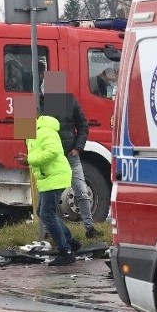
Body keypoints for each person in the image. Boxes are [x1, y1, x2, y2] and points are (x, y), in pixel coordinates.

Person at [38, 62, 102, 239]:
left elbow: (83, 125)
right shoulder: (35, 102)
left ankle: (89, 228)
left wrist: (77, 148)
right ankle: (51, 230)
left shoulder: (69, 101)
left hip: (68, 154)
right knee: (48, 198)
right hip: (50, 158)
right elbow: (25, 131)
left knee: (81, 191)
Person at [16, 113, 78, 266]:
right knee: (42, 212)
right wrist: (28, 159)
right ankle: (71, 242)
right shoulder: (32, 135)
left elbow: (53, 151)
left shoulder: (44, 131)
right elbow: (40, 153)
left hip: (55, 176)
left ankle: (66, 251)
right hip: (48, 177)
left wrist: (29, 159)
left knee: (47, 213)